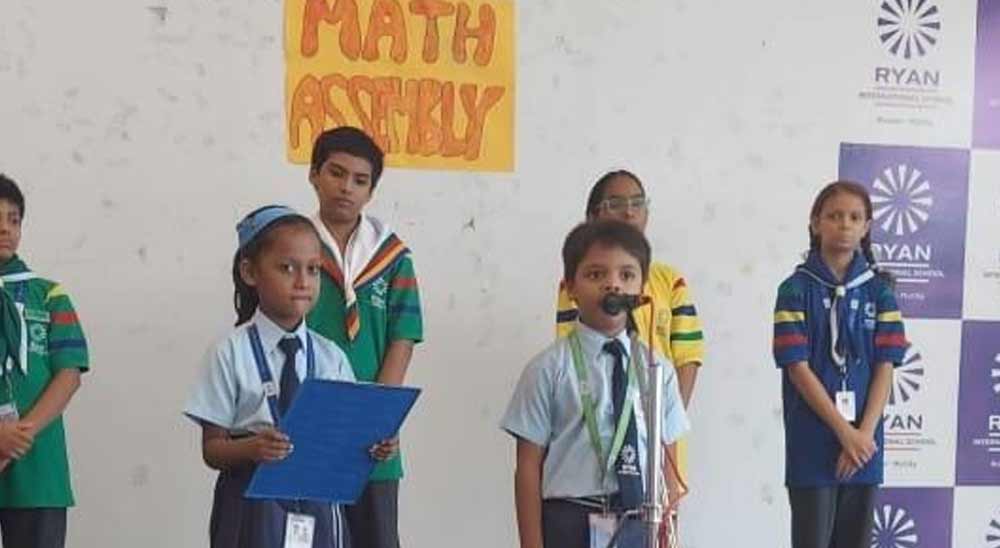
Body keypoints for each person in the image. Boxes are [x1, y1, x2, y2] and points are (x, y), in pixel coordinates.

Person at [185, 205, 394, 547]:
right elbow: (212, 449)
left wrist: (373, 445)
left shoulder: (331, 357)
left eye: (313, 270)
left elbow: (343, 440)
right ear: (250, 272)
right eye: (287, 268)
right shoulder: (229, 353)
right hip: (249, 504)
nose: (303, 282)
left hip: (320, 504)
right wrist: (253, 448)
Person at [504, 220, 689, 548]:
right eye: (595, 274)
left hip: (638, 519)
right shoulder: (548, 368)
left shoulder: (658, 369)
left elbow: (667, 467)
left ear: (642, 289)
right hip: (570, 519)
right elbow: (528, 467)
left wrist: (668, 535)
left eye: (626, 275)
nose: (613, 285)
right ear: (570, 287)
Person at [305, 127, 423, 548]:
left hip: (371, 443)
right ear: (314, 175)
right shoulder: (292, 250)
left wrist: (379, 418)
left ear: (371, 191)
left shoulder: (392, 257)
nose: (346, 187)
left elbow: (402, 339)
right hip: (305, 427)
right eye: (336, 173)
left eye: (360, 180)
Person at [772, 181, 907, 548]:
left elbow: (886, 365)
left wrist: (862, 435)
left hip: (865, 446)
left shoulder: (880, 292)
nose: (844, 225)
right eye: (834, 216)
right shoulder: (794, 290)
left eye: (854, 217)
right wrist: (843, 433)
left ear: (866, 227)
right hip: (813, 442)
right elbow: (796, 366)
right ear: (816, 223)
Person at [0, 173, 89, 548]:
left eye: (14, 219)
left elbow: (68, 375)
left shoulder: (49, 295)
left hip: (37, 467)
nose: (5, 229)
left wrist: (18, 436)